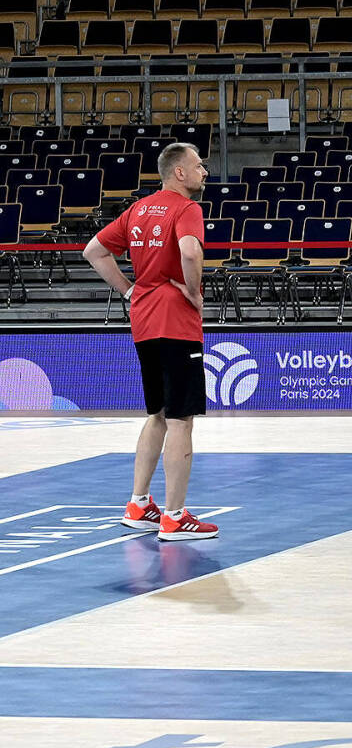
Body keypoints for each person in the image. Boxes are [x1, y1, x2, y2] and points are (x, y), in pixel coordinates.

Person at [83, 142, 218, 542]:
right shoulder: (187, 209)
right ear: (179, 172)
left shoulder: (138, 209)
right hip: (176, 321)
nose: (204, 172)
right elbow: (190, 252)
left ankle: (138, 505)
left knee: (157, 413)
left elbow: (94, 251)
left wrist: (129, 290)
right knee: (180, 419)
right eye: (198, 165)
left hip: (143, 321)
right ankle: (174, 517)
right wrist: (193, 292)